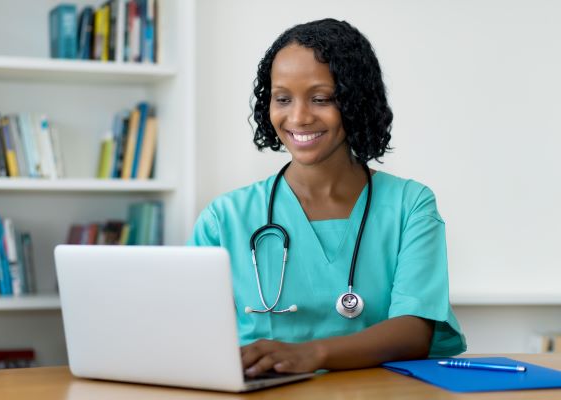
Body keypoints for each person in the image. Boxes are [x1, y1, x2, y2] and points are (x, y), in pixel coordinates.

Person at [188, 18, 466, 377]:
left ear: (355, 102)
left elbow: (414, 333)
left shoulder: (409, 205)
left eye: (321, 99)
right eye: (282, 99)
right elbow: (191, 334)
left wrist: (312, 354)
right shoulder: (224, 218)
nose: (299, 117)